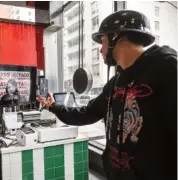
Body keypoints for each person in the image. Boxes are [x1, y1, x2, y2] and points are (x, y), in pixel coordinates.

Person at [38, 10, 177, 180]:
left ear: (117, 37)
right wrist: (53, 106)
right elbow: (87, 114)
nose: (101, 49)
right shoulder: (116, 82)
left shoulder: (167, 68)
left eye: (102, 40)